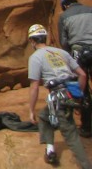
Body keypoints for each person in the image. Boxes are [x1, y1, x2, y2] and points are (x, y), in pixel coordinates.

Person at [27, 23, 92, 167]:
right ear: (45, 38)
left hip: (59, 98)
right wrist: (78, 96)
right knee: (44, 116)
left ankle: (86, 165)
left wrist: (31, 110)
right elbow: (82, 74)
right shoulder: (61, 52)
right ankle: (50, 150)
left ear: (32, 41)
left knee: (71, 135)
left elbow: (34, 86)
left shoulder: (35, 57)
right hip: (70, 92)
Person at [59, 0, 92, 137]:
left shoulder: (64, 16)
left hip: (79, 52)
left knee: (82, 89)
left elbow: (64, 42)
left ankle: (87, 127)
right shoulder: (90, 10)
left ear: (65, 5)